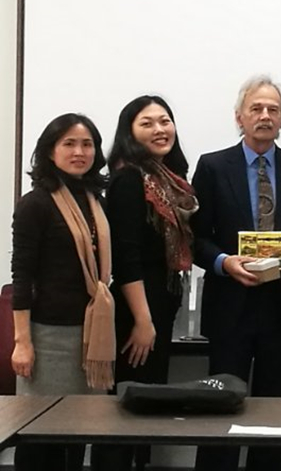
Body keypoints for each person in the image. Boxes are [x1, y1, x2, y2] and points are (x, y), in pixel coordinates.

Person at [192, 75, 281, 471]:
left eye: (273, 109)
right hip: (230, 306)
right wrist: (224, 262)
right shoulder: (213, 166)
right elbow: (195, 238)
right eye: (256, 109)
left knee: (274, 417)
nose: (265, 116)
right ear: (240, 117)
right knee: (219, 411)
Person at [95, 96, 197, 470]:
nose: (159, 129)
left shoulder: (166, 179)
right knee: (125, 408)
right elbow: (127, 257)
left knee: (149, 407)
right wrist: (142, 320)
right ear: (130, 132)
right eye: (147, 123)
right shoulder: (128, 178)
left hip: (159, 304)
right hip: (136, 309)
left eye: (165, 121)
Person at [10, 114, 114, 471]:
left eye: (87, 144)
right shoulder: (36, 204)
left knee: (81, 432)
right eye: (69, 143)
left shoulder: (96, 201)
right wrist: (23, 342)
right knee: (41, 436)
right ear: (49, 151)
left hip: (92, 336)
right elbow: (21, 277)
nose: (79, 152)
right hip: (49, 338)